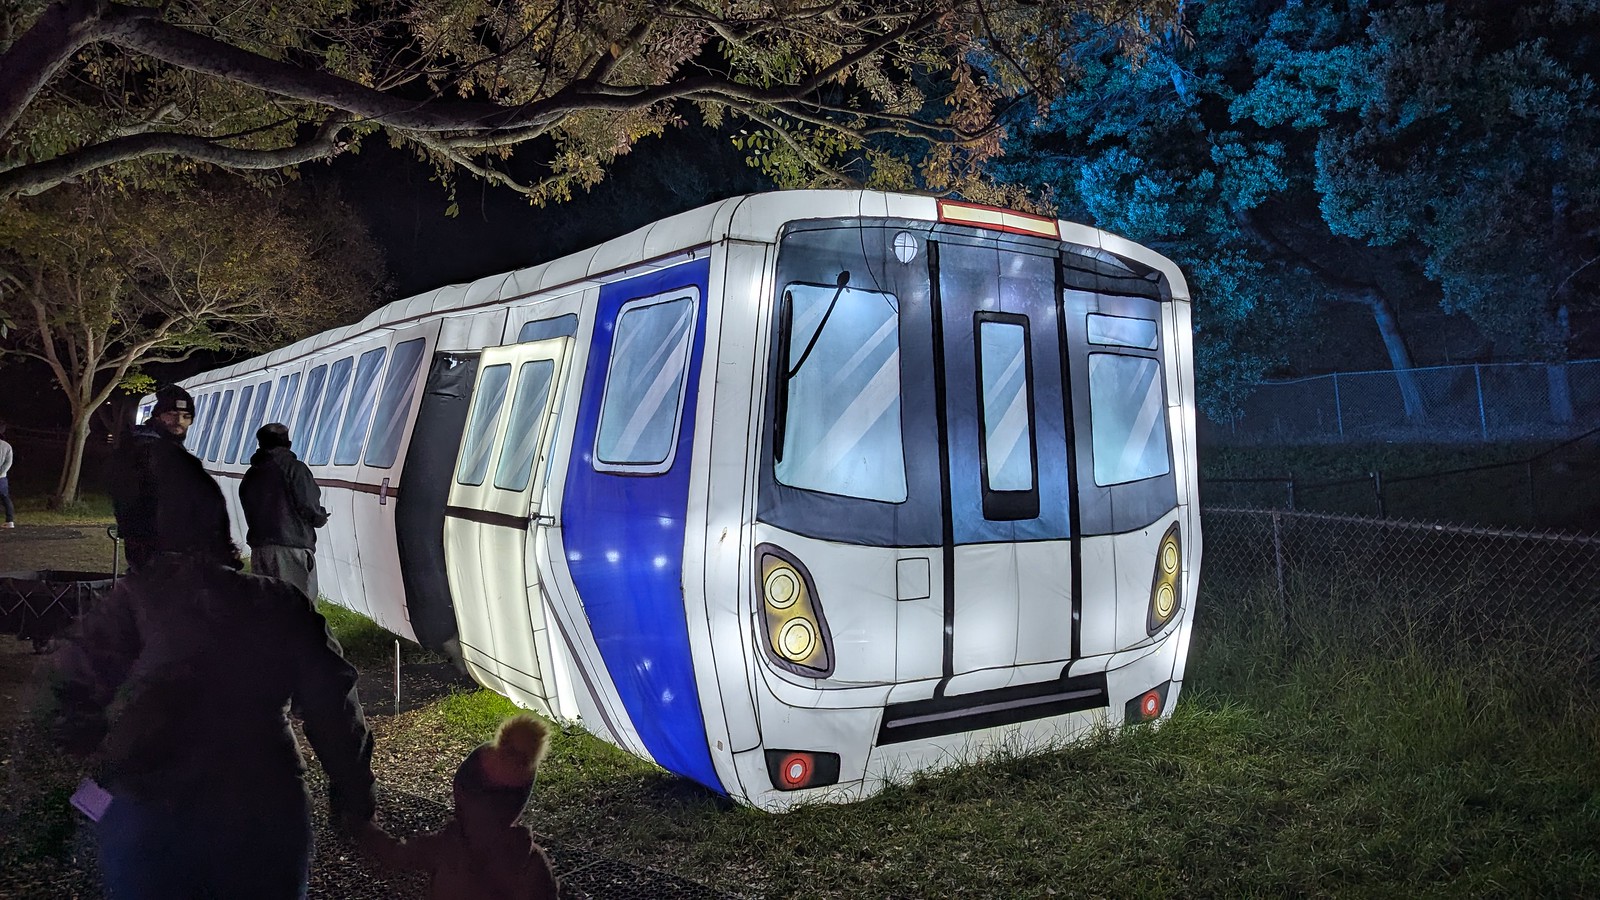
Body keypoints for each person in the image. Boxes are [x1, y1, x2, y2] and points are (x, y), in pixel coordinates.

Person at [49, 502, 378, 899]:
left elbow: (69, 694)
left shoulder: (133, 603)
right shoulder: (280, 601)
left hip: (151, 808)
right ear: (227, 542)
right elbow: (334, 704)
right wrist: (354, 798)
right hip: (265, 801)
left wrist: (103, 756)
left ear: (143, 546)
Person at [359, 714, 560, 899]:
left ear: (461, 793)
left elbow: (395, 854)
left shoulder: (447, 847)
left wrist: (363, 826)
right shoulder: (532, 862)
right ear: (518, 802)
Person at [109, 384, 231, 570]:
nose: (179, 421)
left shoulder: (167, 449)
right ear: (158, 416)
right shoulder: (146, 450)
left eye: (186, 416)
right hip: (160, 549)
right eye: (172, 414)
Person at [240, 423, 330, 602]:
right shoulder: (296, 469)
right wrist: (320, 517)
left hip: (260, 550)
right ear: (288, 443)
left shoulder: (251, 475)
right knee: (298, 606)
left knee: (268, 604)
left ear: (260, 444)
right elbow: (309, 506)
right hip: (292, 548)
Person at [0, 422, 14, 528]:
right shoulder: (7, 446)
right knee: (5, 498)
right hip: (2, 477)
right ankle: (9, 521)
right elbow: (8, 463)